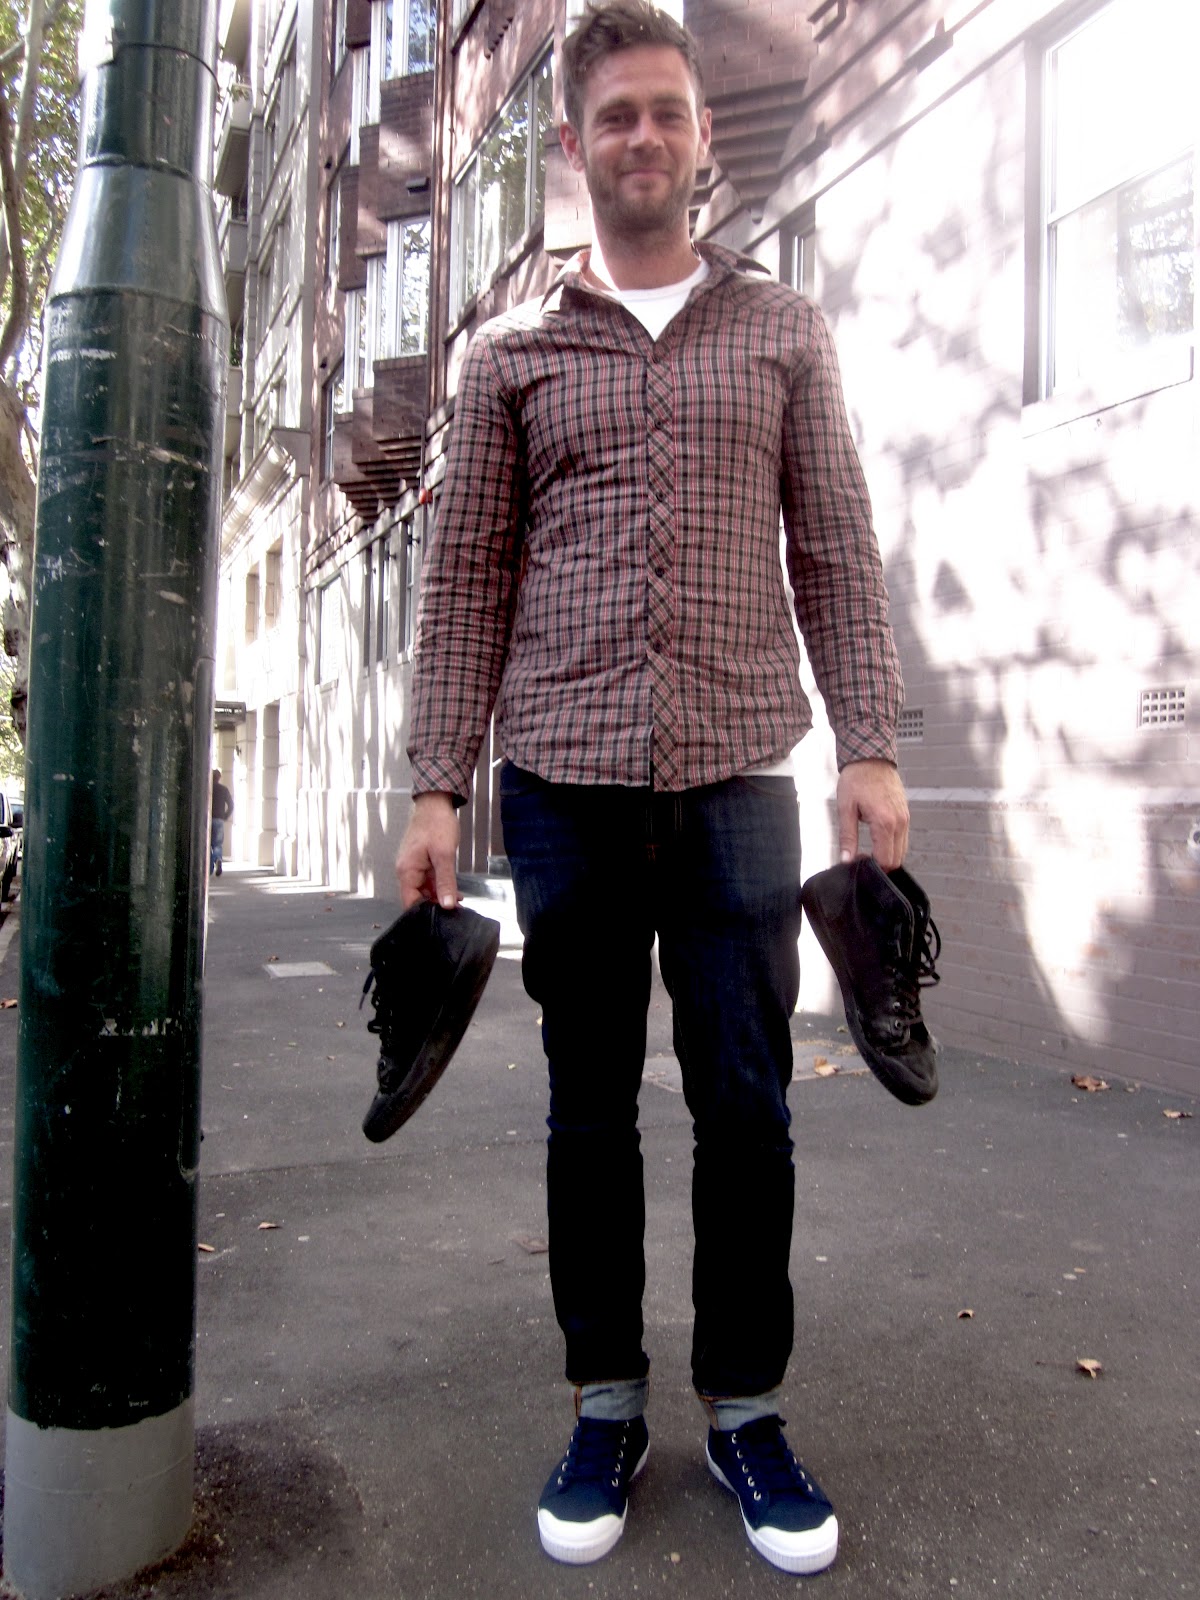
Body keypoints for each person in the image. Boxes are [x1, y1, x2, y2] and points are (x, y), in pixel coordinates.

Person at [396, 0, 909, 1574]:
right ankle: (605, 1403)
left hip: (741, 778)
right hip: (563, 787)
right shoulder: (511, 355)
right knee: (589, 1109)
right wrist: (435, 785)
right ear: (572, 142)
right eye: (616, 114)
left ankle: (747, 1408)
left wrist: (870, 745)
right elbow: (466, 581)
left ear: (698, 135)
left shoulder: (784, 330)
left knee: (748, 1105)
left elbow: (836, 548)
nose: (644, 137)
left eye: (666, 111)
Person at [210, 768, 233, 877]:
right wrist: (225, 816)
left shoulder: (208, 788)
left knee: (208, 844)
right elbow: (231, 805)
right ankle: (218, 859)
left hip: (208, 819)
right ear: (219, 778)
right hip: (219, 819)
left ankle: (210, 868)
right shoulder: (224, 789)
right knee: (217, 844)